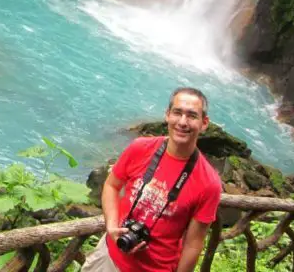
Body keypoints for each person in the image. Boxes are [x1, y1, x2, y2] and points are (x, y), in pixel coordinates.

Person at [82, 87, 223, 272]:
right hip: (109, 256)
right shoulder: (140, 148)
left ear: (204, 123)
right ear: (167, 115)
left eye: (191, 116)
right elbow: (111, 185)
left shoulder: (209, 183)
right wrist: (111, 226)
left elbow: (193, 245)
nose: (182, 122)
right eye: (177, 113)